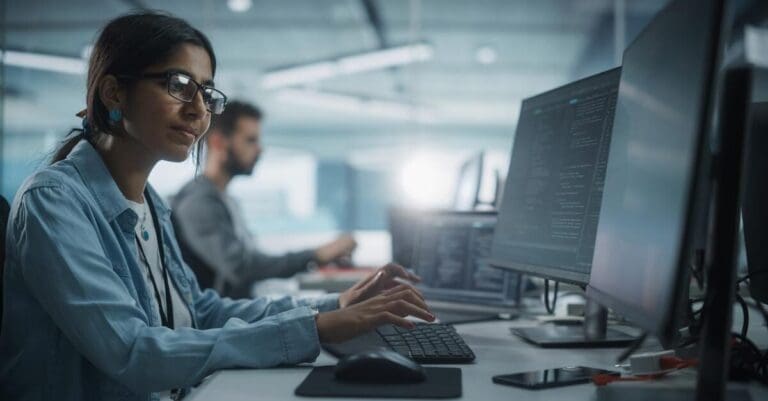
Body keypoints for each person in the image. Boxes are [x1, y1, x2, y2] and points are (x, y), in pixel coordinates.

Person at [0, 12, 433, 401]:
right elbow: (133, 351)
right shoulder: (54, 202)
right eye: (179, 85)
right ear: (114, 92)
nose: (199, 110)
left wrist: (334, 307)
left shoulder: (150, 203)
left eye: (206, 93)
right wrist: (313, 330)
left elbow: (200, 312)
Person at [171, 101, 356, 299]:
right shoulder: (198, 202)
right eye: (251, 140)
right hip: (219, 323)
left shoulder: (226, 199)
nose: (260, 150)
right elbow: (241, 267)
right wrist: (316, 255)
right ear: (218, 143)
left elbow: (251, 261)